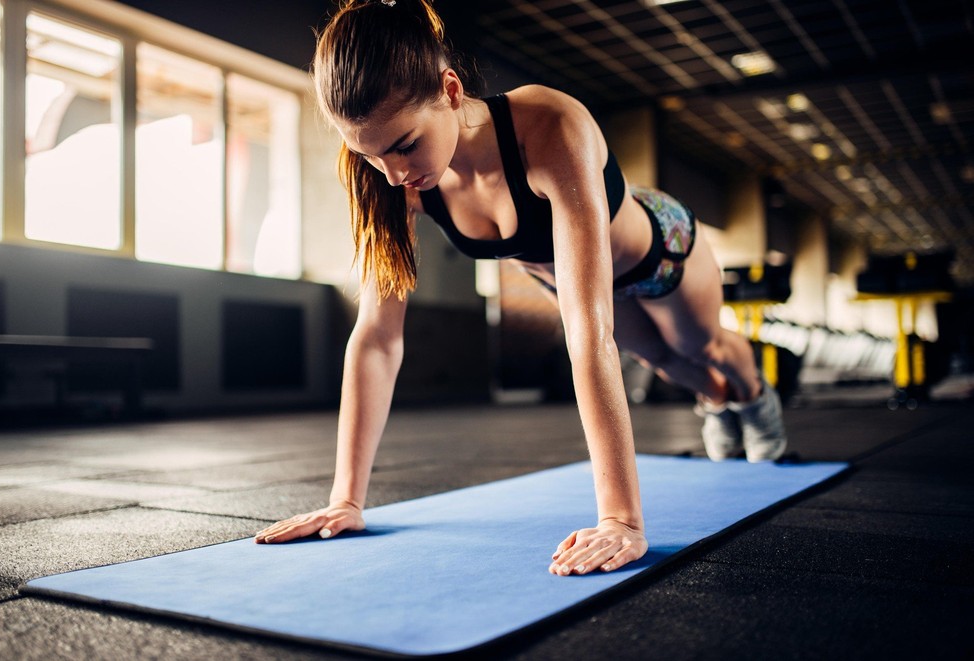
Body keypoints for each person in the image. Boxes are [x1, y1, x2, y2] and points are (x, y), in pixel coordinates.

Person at [255, 0, 786, 576]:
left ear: (451, 90)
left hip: (660, 254)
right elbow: (378, 337)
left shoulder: (550, 126)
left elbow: (588, 332)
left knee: (702, 348)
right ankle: (718, 403)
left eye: (405, 145)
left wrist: (621, 520)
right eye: (369, 154)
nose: (392, 173)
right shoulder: (393, 174)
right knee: (671, 367)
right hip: (580, 283)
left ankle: (755, 396)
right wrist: (346, 499)